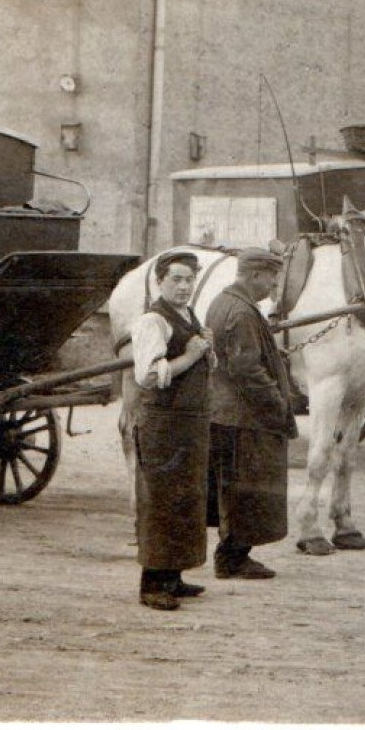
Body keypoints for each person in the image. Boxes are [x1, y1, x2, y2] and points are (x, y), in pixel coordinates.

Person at [205, 248, 299, 580]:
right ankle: (232, 558)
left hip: (226, 412)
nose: (275, 284)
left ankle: (230, 554)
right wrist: (277, 404)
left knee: (233, 488)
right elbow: (246, 370)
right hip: (243, 415)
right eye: (272, 277)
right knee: (246, 489)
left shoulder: (225, 302)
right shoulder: (242, 312)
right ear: (255, 275)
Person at [130, 250, 214, 610]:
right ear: (159, 281)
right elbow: (148, 375)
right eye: (176, 279)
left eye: (189, 279)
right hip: (162, 425)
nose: (184, 286)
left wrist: (205, 349)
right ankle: (152, 584)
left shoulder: (189, 315)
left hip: (188, 423)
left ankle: (174, 576)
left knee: (185, 499)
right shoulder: (152, 320)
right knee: (161, 501)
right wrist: (192, 356)